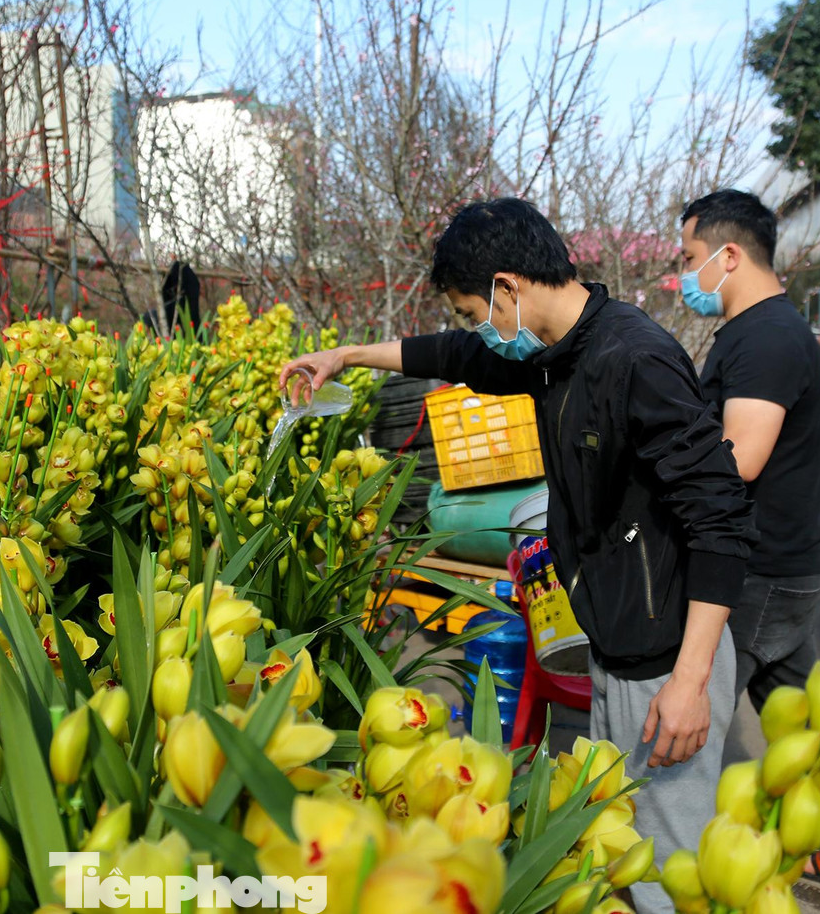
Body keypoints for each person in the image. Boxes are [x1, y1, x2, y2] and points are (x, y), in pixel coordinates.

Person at [280, 198, 756, 914]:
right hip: (617, 638)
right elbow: (452, 352)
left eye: (476, 309)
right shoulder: (550, 354)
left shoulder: (635, 359)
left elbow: (721, 517)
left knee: (669, 874)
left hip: (667, 656)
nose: (478, 328)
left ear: (507, 287)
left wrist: (689, 681)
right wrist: (345, 356)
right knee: (618, 846)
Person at [682, 189, 820, 899]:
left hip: (760, 570)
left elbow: (738, 457)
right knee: (799, 712)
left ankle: (688, 872)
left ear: (729, 255)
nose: (684, 274)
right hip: (788, 565)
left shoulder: (764, 338)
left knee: (686, 726)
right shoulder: (759, 330)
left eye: (689, 259)